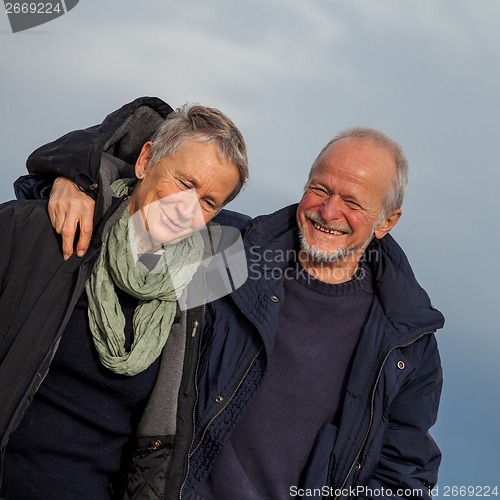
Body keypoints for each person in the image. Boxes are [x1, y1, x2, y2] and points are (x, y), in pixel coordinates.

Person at [15, 101, 445, 499]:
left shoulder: (407, 339)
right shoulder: (229, 248)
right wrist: (74, 179)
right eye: (320, 189)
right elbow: (147, 182)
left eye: (352, 202)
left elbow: (405, 471)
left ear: (387, 221)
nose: (328, 212)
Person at [0, 97, 249, 499]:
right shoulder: (34, 230)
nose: (187, 209)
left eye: (208, 202)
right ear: (145, 160)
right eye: (184, 183)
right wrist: (66, 173)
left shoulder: (197, 291)